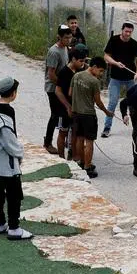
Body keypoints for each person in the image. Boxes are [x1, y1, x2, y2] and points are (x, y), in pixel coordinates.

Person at [0, 78, 33, 241]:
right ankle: (14, 228)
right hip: (6, 162)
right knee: (14, 194)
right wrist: (19, 153)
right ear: (13, 93)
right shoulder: (6, 113)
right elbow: (8, 140)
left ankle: (0, 223)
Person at [71, 57, 111, 177]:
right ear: (93, 67)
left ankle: (81, 161)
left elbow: (70, 93)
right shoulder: (94, 82)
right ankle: (87, 167)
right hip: (88, 115)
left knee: (79, 138)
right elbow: (98, 101)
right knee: (89, 142)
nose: (101, 74)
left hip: (76, 113)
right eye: (101, 71)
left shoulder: (77, 76)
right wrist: (106, 112)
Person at [101, 22, 137, 137]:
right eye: (126, 31)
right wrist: (115, 63)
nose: (128, 34)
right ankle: (106, 128)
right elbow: (106, 56)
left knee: (134, 103)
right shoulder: (114, 40)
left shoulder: (135, 44)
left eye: (130, 32)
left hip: (130, 78)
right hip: (116, 78)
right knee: (113, 102)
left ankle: (136, 128)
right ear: (122, 30)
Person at [53, 47, 89, 158]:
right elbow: (58, 91)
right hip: (64, 107)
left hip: (77, 107)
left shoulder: (80, 70)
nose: (83, 63)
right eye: (81, 61)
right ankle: (61, 157)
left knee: (75, 132)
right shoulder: (64, 72)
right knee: (63, 132)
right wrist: (68, 106)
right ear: (73, 59)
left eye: (84, 61)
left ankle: (73, 156)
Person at [43, 25, 73, 154]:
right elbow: (51, 74)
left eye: (70, 37)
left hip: (61, 86)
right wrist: (62, 86)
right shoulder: (54, 52)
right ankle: (48, 142)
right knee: (55, 115)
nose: (68, 40)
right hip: (53, 88)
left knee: (64, 115)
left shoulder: (65, 48)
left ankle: (66, 140)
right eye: (66, 38)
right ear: (59, 37)